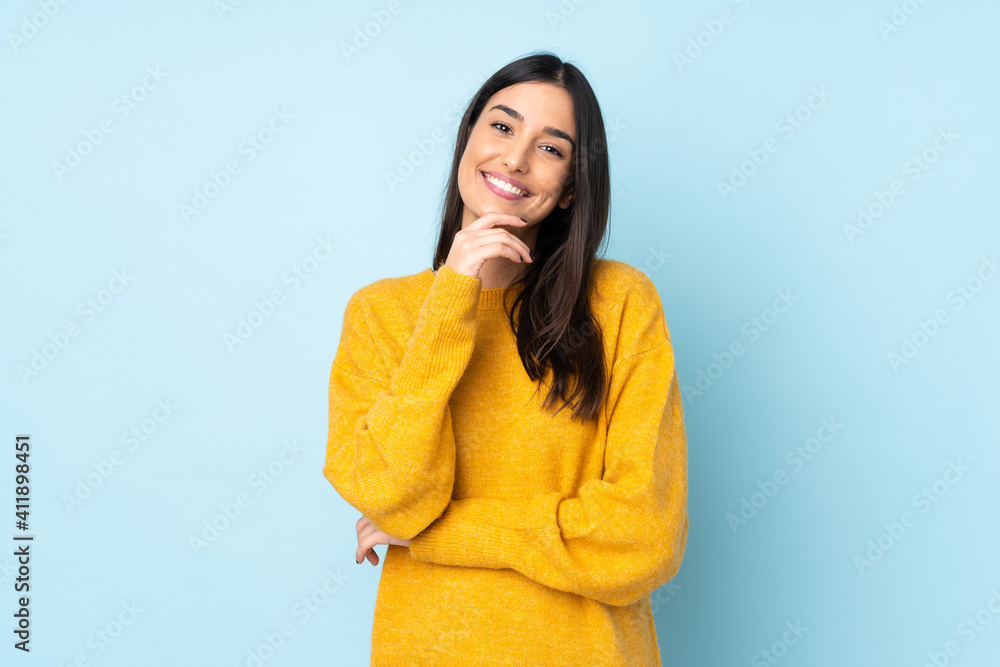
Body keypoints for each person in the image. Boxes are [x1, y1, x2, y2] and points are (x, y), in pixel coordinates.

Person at [323, 51, 689, 665]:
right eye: (501, 126)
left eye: (551, 148)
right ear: (467, 138)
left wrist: (443, 532)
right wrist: (451, 301)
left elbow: (644, 538)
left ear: (572, 188)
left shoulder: (619, 303)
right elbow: (394, 497)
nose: (515, 158)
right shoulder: (381, 314)